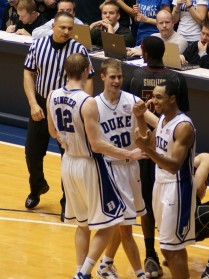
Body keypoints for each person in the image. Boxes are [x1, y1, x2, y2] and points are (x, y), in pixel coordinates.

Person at [46, 53, 146, 279]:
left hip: (67, 162)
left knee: (82, 224)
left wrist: (65, 139)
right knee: (114, 220)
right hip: (88, 165)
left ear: (65, 70)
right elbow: (97, 144)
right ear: (85, 72)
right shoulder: (87, 101)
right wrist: (128, 153)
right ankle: (85, 272)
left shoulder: (52, 95)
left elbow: (53, 132)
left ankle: (79, 270)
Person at [122, 35, 190, 278]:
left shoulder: (133, 76)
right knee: (158, 203)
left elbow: (130, 112)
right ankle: (167, 248)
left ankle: (151, 253)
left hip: (146, 147)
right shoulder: (176, 78)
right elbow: (181, 112)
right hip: (164, 145)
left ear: (143, 52)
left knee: (147, 204)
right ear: (165, 51)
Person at [23, 11, 93, 218]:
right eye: (62, 27)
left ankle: (67, 201)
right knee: (32, 153)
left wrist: (83, 106)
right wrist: (33, 103)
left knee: (68, 158)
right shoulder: (38, 45)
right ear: (53, 26)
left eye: (70, 28)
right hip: (42, 105)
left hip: (66, 108)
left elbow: (89, 78)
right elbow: (28, 72)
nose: (66, 32)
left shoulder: (79, 50)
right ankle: (37, 187)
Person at [94, 58, 158, 279]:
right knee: (126, 226)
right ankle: (140, 273)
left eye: (119, 77)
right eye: (112, 77)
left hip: (132, 168)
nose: (117, 81)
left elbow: (156, 125)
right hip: (110, 168)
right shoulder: (94, 105)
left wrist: (142, 120)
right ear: (102, 77)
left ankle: (105, 264)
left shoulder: (132, 101)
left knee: (122, 223)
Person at [134, 80, 196, 279]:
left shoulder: (183, 126)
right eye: (153, 96)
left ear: (173, 98)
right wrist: (139, 118)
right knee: (169, 247)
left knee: (171, 249)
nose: (154, 101)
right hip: (159, 184)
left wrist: (148, 150)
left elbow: (174, 165)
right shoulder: (162, 119)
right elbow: (149, 141)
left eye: (158, 97)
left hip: (177, 187)